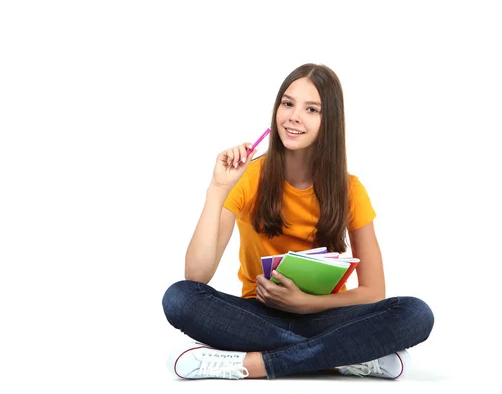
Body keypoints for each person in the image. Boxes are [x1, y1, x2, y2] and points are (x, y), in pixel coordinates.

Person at [162, 63, 434, 380]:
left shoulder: (350, 190)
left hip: (326, 316)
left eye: (311, 109)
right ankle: (343, 357)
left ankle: (256, 365)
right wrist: (218, 188)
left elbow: (373, 291)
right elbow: (196, 275)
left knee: (416, 313)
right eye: (288, 103)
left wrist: (306, 303)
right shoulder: (247, 178)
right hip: (258, 317)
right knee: (179, 298)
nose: (294, 116)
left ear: (328, 121)